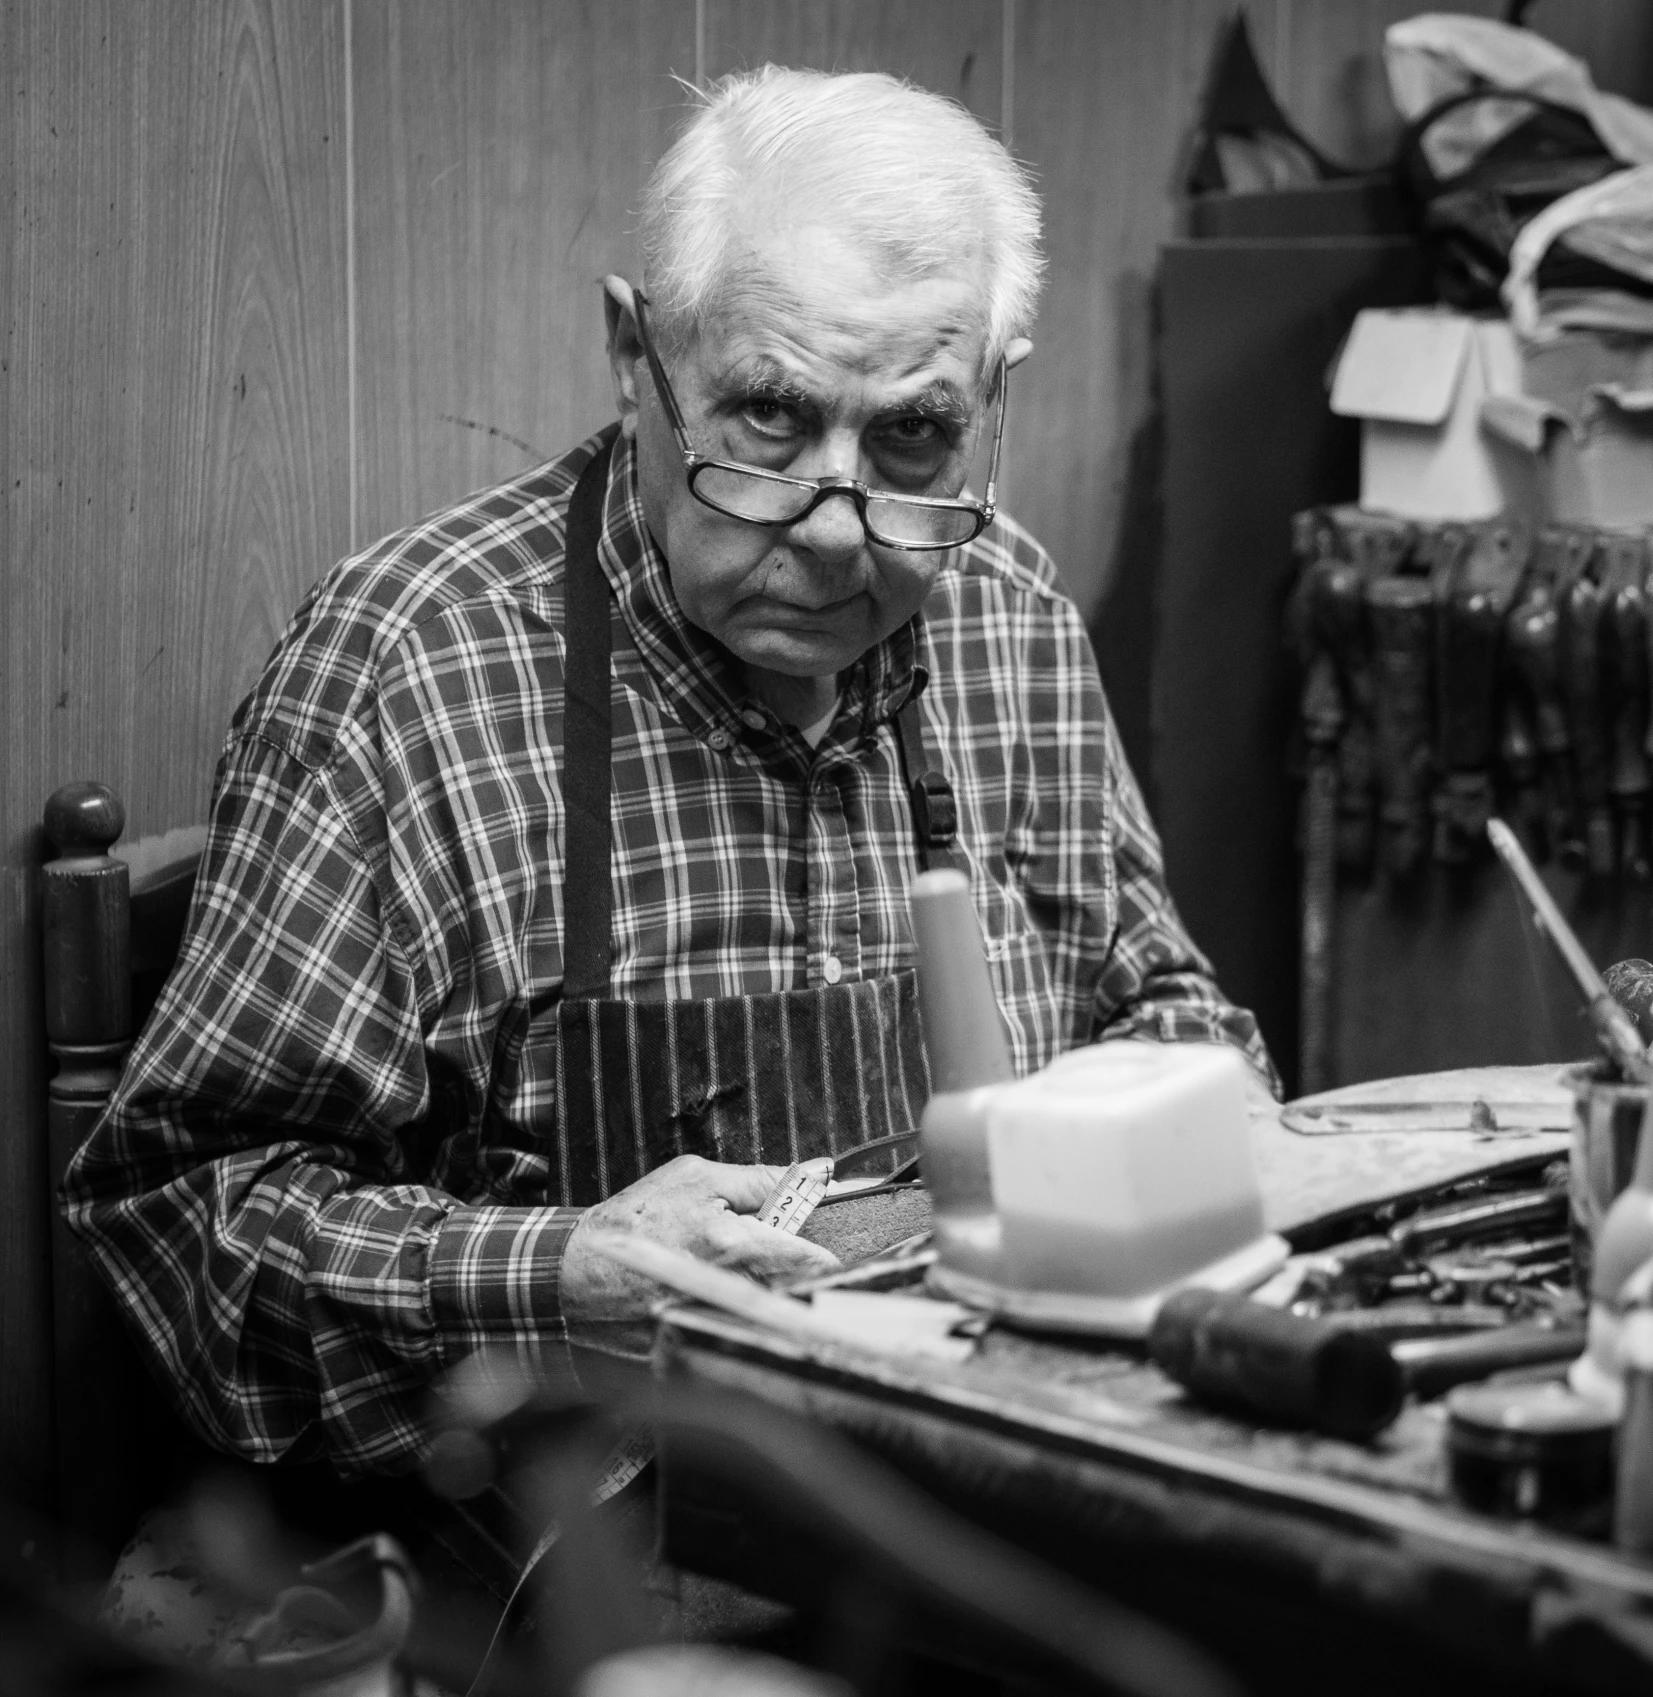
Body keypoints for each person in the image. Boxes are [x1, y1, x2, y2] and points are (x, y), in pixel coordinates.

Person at [63, 67, 1272, 1505]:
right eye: (767, 419)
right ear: (633, 355)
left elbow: (1170, 1019)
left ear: (991, 403)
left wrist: (1201, 1142)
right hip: (582, 1551)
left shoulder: (1004, 613)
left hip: (990, 1488)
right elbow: (185, 1225)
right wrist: (554, 1276)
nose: (835, 532)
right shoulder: (415, 671)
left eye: (911, 435)